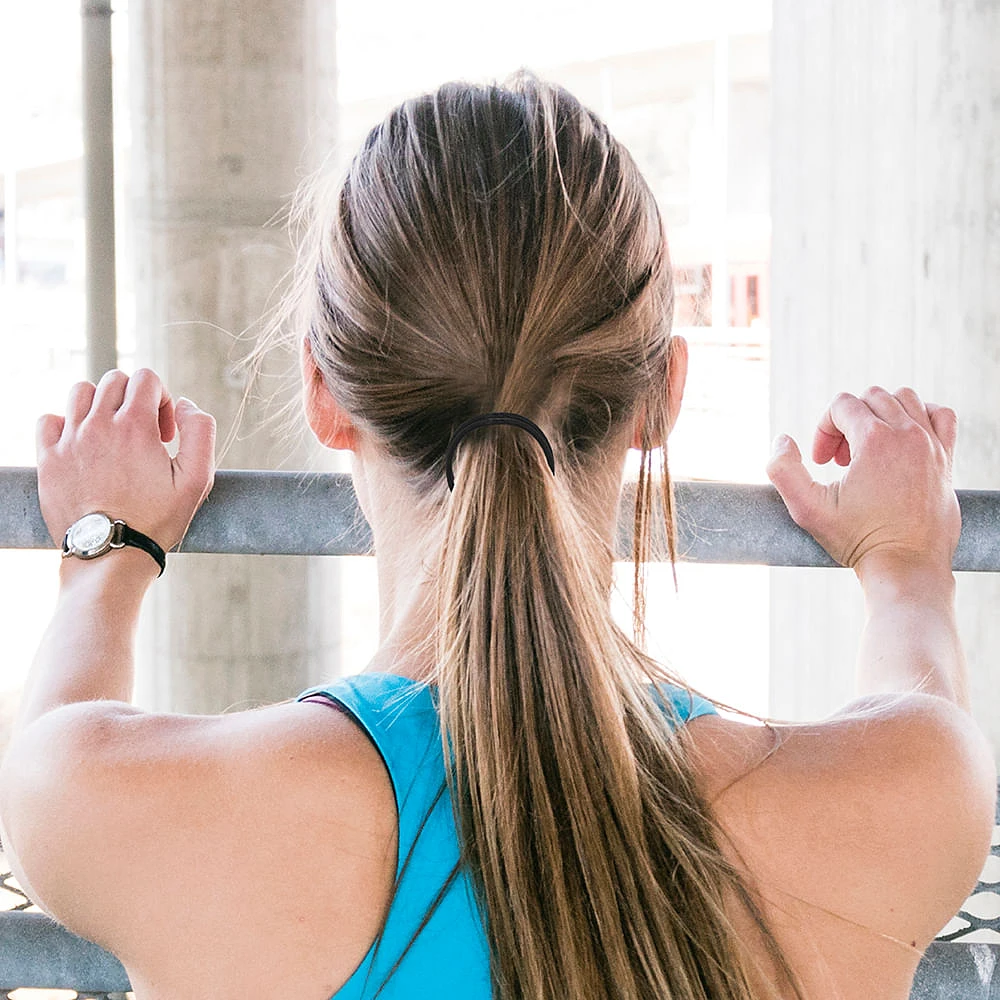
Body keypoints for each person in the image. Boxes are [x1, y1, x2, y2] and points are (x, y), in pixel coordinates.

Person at [0, 75, 995, 1000]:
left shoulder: (136, 814)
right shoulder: (905, 798)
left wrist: (109, 549)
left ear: (322, 391)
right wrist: (905, 564)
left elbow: (52, 740)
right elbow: (924, 704)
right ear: (660, 396)